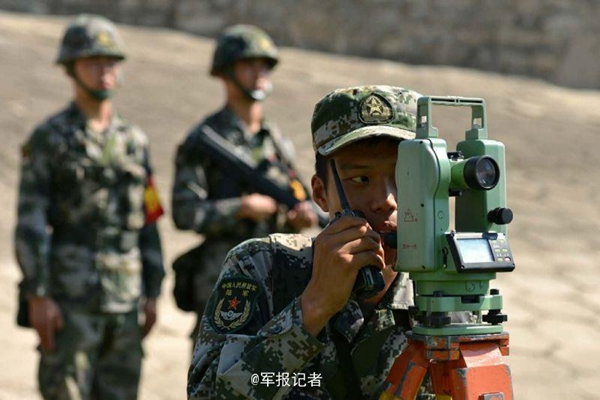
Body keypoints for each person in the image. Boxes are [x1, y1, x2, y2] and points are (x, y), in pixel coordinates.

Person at [187, 85, 428, 399]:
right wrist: (312, 309)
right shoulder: (261, 267)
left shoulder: (443, 291)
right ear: (320, 194)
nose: (386, 200)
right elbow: (207, 395)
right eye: (361, 179)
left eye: (403, 177)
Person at [14, 14, 165, 400]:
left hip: (126, 300)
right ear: (71, 68)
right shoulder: (51, 138)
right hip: (70, 298)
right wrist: (39, 294)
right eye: (93, 61)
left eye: (111, 62)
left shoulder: (135, 141)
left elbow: (149, 219)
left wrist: (152, 289)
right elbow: (30, 221)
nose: (104, 71)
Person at [171, 24, 319, 346]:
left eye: (264, 66)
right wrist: (240, 208)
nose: (258, 73)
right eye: (248, 64)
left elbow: (295, 195)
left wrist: (299, 217)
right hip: (225, 286)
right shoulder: (204, 141)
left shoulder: (276, 141)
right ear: (225, 72)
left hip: (278, 282)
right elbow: (185, 212)